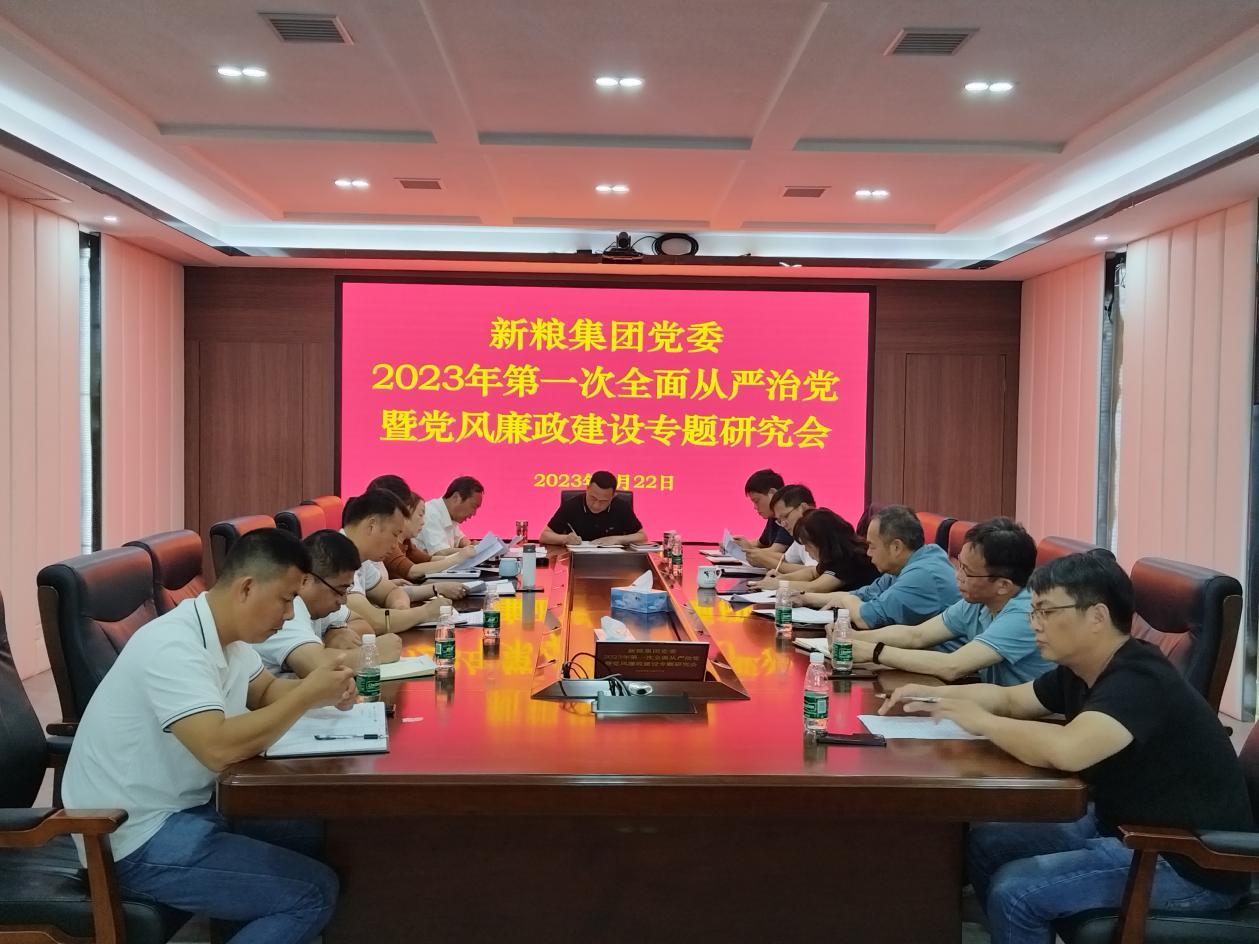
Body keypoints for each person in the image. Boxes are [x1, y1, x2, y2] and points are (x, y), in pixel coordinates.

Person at [882, 550, 1253, 943]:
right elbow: (1011, 700)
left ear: (1096, 617)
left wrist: (982, 722)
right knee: (987, 844)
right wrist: (933, 695)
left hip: (1184, 861)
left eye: (1046, 611)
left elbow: (1067, 749)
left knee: (1017, 893)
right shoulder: (1082, 669)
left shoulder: (1140, 679)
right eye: (1033, 612)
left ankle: (1018, 924)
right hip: (1121, 827)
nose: (1034, 624)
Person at [61, 528, 351, 942]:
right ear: (247, 588)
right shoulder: (173, 646)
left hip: (188, 808)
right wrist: (307, 695)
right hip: (129, 836)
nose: (290, 615)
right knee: (312, 894)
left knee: (313, 830)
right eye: (286, 599)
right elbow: (217, 747)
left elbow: (267, 692)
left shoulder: (229, 638)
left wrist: (326, 691)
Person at [843, 518, 1053, 684]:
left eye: (967, 571)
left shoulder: (1025, 614)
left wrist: (874, 652)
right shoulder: (978, 601)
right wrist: (852, 638)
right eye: (959, 564)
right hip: (995, 704)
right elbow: (917, 635)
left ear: (1003, 585)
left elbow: (952, 666)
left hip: (1037, 719)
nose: (957, 576)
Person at [253, 529, 404, 676]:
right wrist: (374, 652)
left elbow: (364, 626)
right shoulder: (287, 608)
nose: (344, 600)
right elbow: (315, 667)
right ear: (306, 580)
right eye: (339, 590)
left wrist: (336, 630)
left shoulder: (320, 602)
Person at [803, 504, 958, 628]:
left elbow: (866, 618)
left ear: (896, 547)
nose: (868, 553)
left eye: (872, 546)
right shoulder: (904, 564)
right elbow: (864, 594)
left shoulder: (922, 575)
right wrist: (804, 598)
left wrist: (847, 600)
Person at [341, 489, 465, 634]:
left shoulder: (360, 556)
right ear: (371, 526)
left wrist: (402, 612)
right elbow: (373, 621)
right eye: (395, 534)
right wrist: (425, 612)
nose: (395, 545)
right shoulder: (339, 558)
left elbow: (392, 592)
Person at [364, 476, 476, 580]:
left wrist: (463, 555)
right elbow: (411, 571)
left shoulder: (404, 541)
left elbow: (428, 560)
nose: (423, 522)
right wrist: (458, 557)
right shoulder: (384, 541)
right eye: (420, 515)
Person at [753, 508, 878, 593]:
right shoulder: (834, 554)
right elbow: (812, 572)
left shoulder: (850, 557)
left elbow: (815, 587)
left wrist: (778, 585)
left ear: (822, 541)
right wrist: (781, 578)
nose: (806, 550)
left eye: (808, 545)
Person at [539, 471, 647, 545]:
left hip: (613, 561)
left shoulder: (621, 507)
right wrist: (565, 539)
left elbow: (642, 537)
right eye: (593, 498)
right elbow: (544, 536)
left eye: (603, 501)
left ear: (613, 496)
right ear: (587, 489)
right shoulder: (571, 505)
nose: (596, 505)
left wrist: (617, 539)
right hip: (576, 562)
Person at [732, 469, 794, 568]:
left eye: (756, 501)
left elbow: (775, 551)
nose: (755, 507)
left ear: (772, 494)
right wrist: (735, 544)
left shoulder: (788, 518)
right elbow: (760, 543)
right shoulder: (773, 517)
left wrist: (747, 549)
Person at [417, 476, 484, 553]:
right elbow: (441, 552)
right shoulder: (431, 513)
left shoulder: (451, 515)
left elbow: (460, 539)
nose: (474, 513)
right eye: (473, 506)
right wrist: (471, 550)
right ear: (456, 497)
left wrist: (473, 545)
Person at [766, 484, 818, 575]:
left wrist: (761, 559)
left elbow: (815, 572)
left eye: (785, 516)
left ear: (803, 508)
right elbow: (786, 560)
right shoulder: (800, 535)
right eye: (779, 521)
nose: (783, 524)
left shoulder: (820, 530)